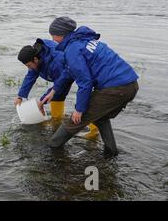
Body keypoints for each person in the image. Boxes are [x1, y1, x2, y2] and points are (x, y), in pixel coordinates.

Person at [42, 17, 139, 156]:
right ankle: (111, 153)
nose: (52, 39)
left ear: (61, 35)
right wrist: (55, 90)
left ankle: (53, 146)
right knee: (100, 116)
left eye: (53, 35)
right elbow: (69, 71)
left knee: (75, 120)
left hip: (115, 88)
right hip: (130, 85)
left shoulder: (72, 49)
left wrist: (79, 110)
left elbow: (85, 82)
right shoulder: (83, 41)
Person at [15, 38, 74, 121]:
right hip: (61, 75)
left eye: (28, 65)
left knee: (86, 99)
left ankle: (93, 130)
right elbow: (30, 76)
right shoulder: (36, 58)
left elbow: (62, 82)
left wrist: (42, 102)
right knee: (56, 95)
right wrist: (20, 96)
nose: (29, 68)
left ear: (35, 59)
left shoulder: (56, 62)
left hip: (74, 72)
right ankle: (57, 120)